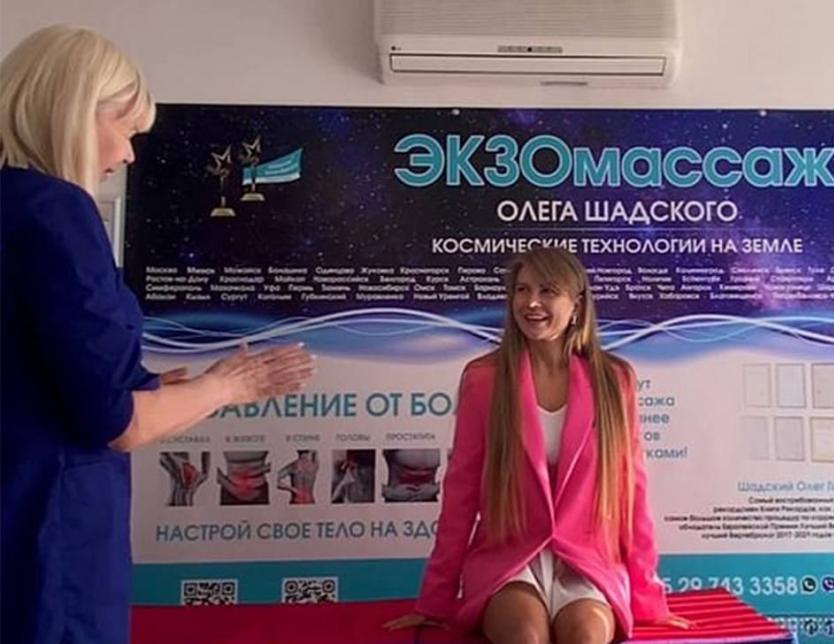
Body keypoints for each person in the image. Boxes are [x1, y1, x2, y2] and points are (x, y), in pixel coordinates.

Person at [0, 25, 316, 643]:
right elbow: (117, 422)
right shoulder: (57, 212)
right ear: (73, 110)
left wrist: (157, 389)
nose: (128, 154)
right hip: (51, 534)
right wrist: (229, 386)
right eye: (124, 128)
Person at [385, 248, 686, 643]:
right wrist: (435, 600)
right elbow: (461, 494)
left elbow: (632, 495)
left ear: (576, 304)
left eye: (547, 291)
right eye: (522, 290)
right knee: (525, 635)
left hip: (589, 562)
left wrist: (648, 599)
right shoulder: (484, 379)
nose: (531, 302)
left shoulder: (615, 380)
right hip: (508, 560)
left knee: (585, 636)